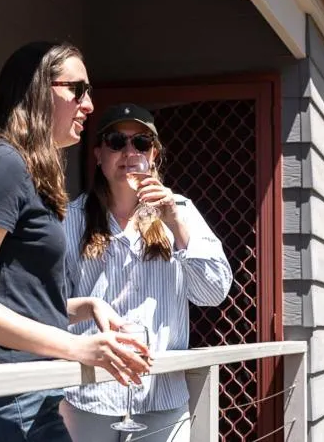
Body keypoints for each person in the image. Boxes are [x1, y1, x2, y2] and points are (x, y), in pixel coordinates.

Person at [0, 43, 151, 442]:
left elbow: (15, 299)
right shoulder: (4, 165)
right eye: (77, 89)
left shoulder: (31, 173)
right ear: (37, 89)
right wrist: (78, 348)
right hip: (9, 396)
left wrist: (87, 305)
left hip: (35, 396)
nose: (88, 105)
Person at [58, 103, 233, 442]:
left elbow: (213, 294)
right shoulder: (71, 218)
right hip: (90, 397)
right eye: (116, 141)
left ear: (154, 155)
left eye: (141, 142)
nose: (129, 151)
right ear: (98, 154)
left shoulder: (180, 210)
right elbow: (48, 305)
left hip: (160, 396)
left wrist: (175, 222)